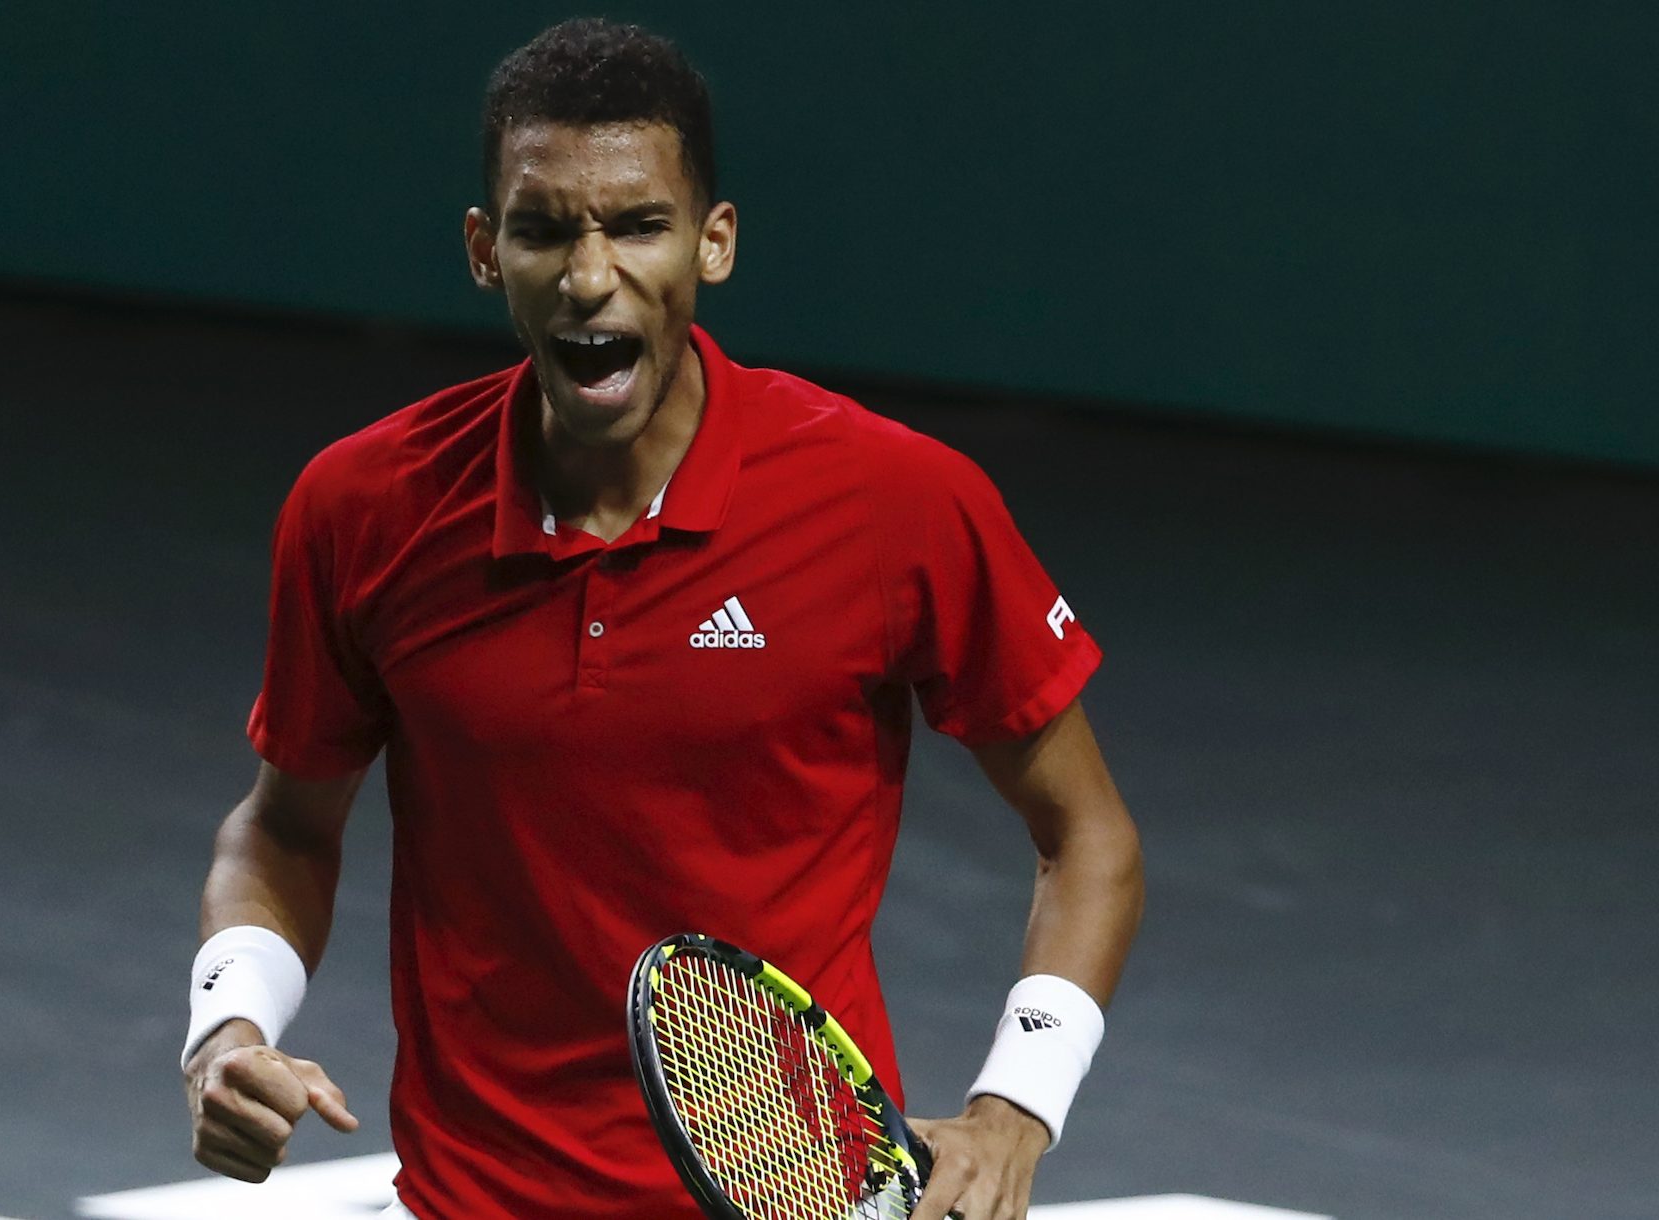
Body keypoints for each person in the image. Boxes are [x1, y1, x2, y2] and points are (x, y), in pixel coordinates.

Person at [180, 18, 1143, 1220]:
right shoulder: (364, 507)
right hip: (472, 1201)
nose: (592, 278)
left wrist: (1015, 1108)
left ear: (714, 241)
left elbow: (1087, 834)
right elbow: (284, 827)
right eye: (543, 230)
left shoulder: (893, 500)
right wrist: (228, 1021)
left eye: (639, 225)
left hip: (799, 1200)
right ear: (486, 250)